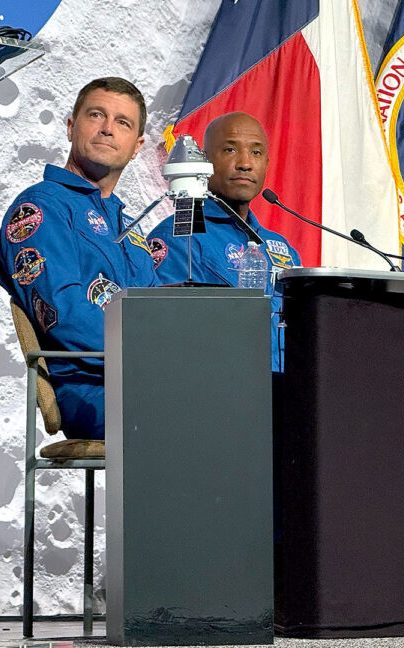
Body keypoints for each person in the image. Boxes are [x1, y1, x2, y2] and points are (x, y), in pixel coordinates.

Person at [0, 77, 159, 440]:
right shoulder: (41, 209)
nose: (107, 129)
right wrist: (155, 358)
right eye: (96, 115)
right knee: (222, 413)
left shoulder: (127, 225)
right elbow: (64, 314)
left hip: (145, 381)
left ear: (136, 146)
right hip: (92, 387)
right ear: (71, 127)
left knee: (262, 404)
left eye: (123, 122)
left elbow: (158, 308)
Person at [147, 112, 301, 371]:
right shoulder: (180, 235)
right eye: (230, 149)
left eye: (256, 153)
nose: (245, 163)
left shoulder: (281, 247)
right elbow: (168, 333)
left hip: (287, 393)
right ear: (205, 162)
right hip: (220, 389)